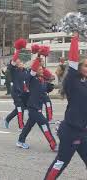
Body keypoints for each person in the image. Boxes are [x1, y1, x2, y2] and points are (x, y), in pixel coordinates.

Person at [45, 33, 87, 180]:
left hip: (83, 132)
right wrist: (75, 39)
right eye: (86, 65)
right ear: (79, 68)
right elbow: (74, 61)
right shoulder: (72, 81)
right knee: (61, 162)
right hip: (70, 132)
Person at [16, 57, 57, 151]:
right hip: (33, 108)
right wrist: (38, 57)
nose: (41, 70)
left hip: (38, 107)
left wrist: (49, 86)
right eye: (39, 69)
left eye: (42, 69)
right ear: (35, 71)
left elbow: (46, 85)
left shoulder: (41, 80)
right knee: (44, 123)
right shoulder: (31, 78)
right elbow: (33, 71)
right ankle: (53, 144)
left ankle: (20, 141)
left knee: (28, 126)